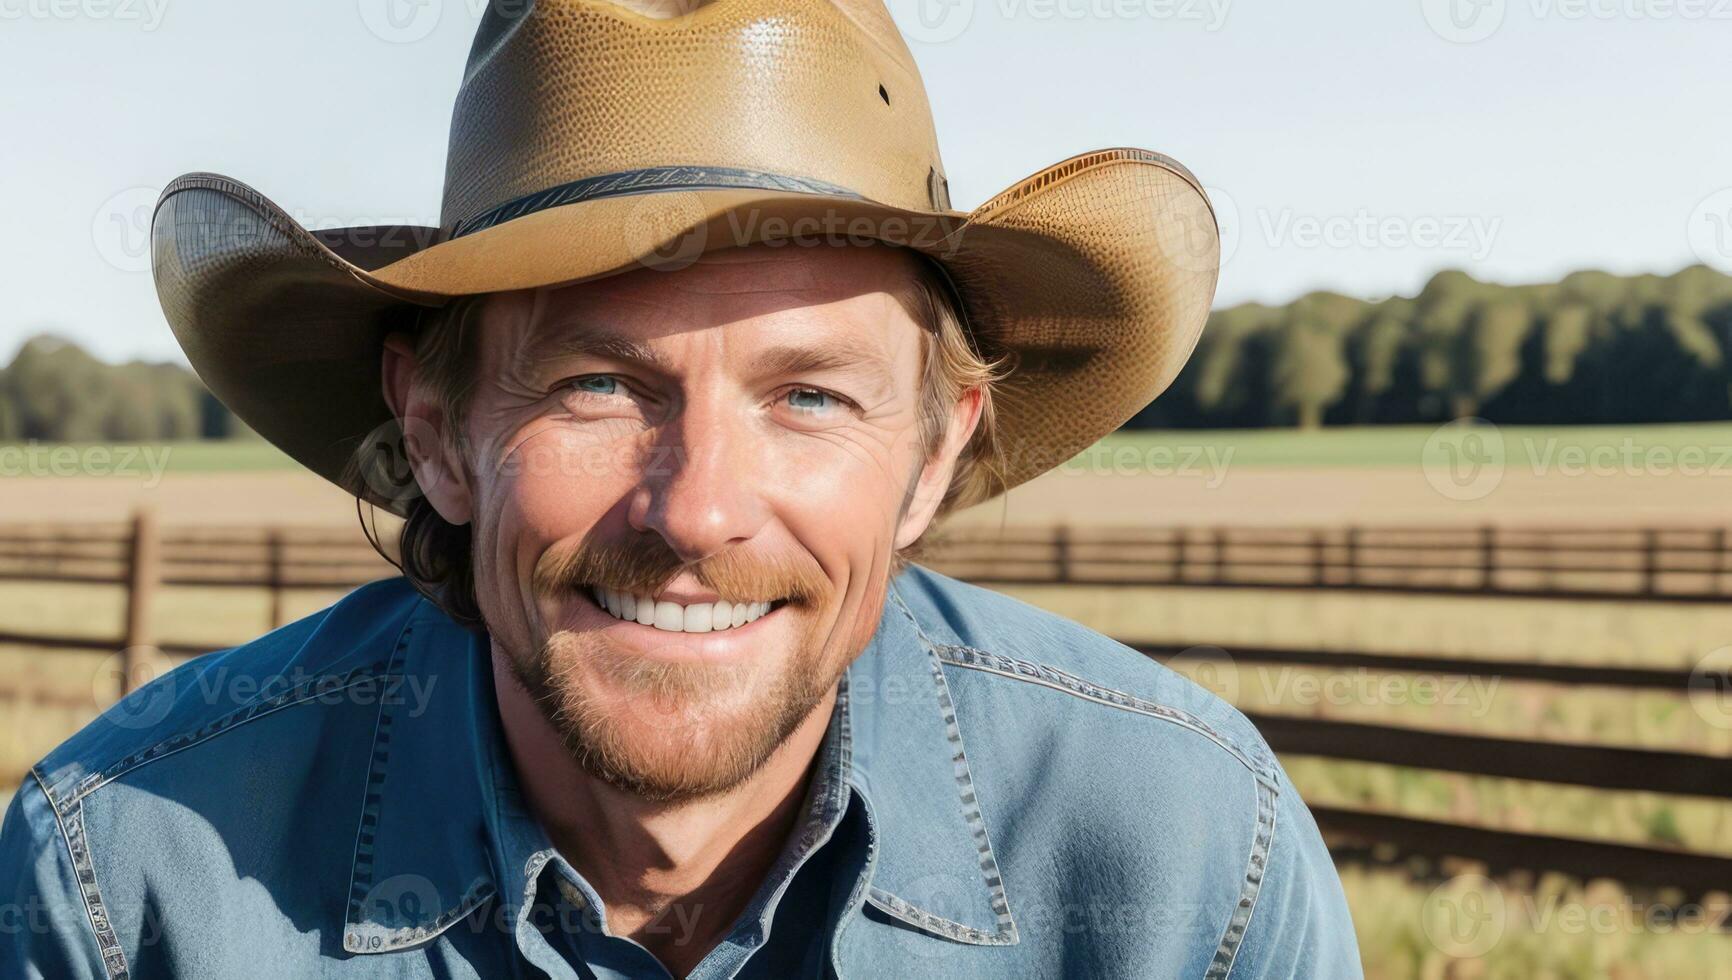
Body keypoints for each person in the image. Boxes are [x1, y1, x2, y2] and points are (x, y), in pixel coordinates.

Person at [1, 0, 1361, 976]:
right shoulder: (128, 884)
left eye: (811, 396)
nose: (697, 510)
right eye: (599, 386)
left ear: (936, 451)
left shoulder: (1187, 865)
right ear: (436, 432)